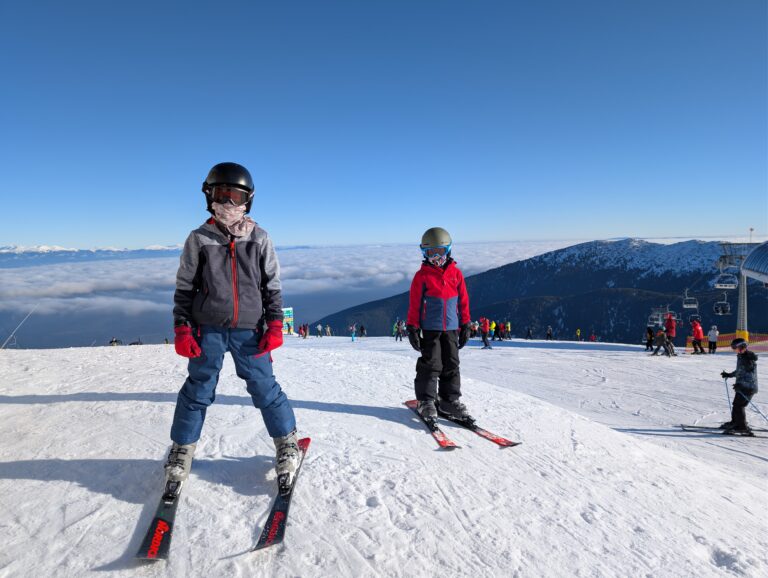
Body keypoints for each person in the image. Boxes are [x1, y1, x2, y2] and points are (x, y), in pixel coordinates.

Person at [167, 162, 299, 495]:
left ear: (247, 200)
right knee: (197, 390)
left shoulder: (260, 238)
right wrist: (183, 327)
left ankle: (286, 442)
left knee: (264, 387)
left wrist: (274, 324)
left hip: (250, 330)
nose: (228, 203)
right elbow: (184, 288)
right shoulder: (198, 239)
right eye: (221, 194)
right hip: (207, 329)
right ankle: (182, 448)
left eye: (235, 196)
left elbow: (272, 286)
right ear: (208, 196)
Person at [406, 227, 473, 424]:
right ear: (424, 253)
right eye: (430, 253)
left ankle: (449, 400)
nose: (436, 257)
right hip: (431, 328)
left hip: (451, 328)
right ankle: (426, 401)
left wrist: (466, 324)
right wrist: (412, 327)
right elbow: (415, 304)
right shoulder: (422, 276)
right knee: (431, 364)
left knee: (451, 364)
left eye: (440, 252)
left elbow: (463, 301)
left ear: (449, 250)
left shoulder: (456, 274)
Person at [719, 338, 759, 435]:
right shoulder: (741, 356)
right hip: (744, 386)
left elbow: (750, 376)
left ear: (742, 347)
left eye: (734, 347)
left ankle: (742, 428)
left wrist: (741, 385)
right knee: (736, 405)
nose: (733, 349)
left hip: (748, 387)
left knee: (739, 405)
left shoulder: (747, 359)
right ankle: (736, 422)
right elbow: (740, 371)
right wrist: (729, 375)